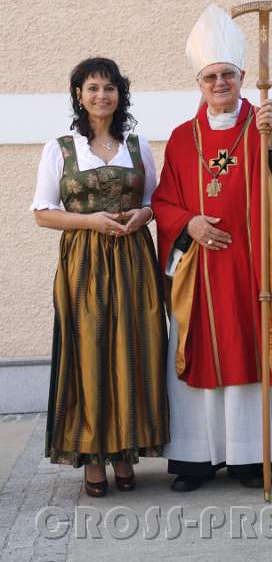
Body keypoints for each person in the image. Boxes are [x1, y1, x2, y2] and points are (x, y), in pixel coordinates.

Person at [152, 4, 272, 491]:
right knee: (198, 350)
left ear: (243, 77)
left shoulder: (267, 128)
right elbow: (162, 201)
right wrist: (190, 223)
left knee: (252, 345)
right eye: (210, 76)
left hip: (253, 267)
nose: (219, 83)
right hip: (199, 271)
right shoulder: (181, 139)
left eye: (227, 75)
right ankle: (196, 460)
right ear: (199, 83)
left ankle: (248, 459)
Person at [31, 57, 169, 497]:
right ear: (78, 95)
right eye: (92, 88)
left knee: (134, 349)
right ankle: (92, 458)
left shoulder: (136, 143)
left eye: (109, 88)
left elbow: (154, 202)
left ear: (119, 95)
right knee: (89, 351)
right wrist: (92, 222)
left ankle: (126, 453)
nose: (101, 96)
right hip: (84, 263)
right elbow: (43, 213)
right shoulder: (61, 148)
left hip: (132, 258)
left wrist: (140, 216)